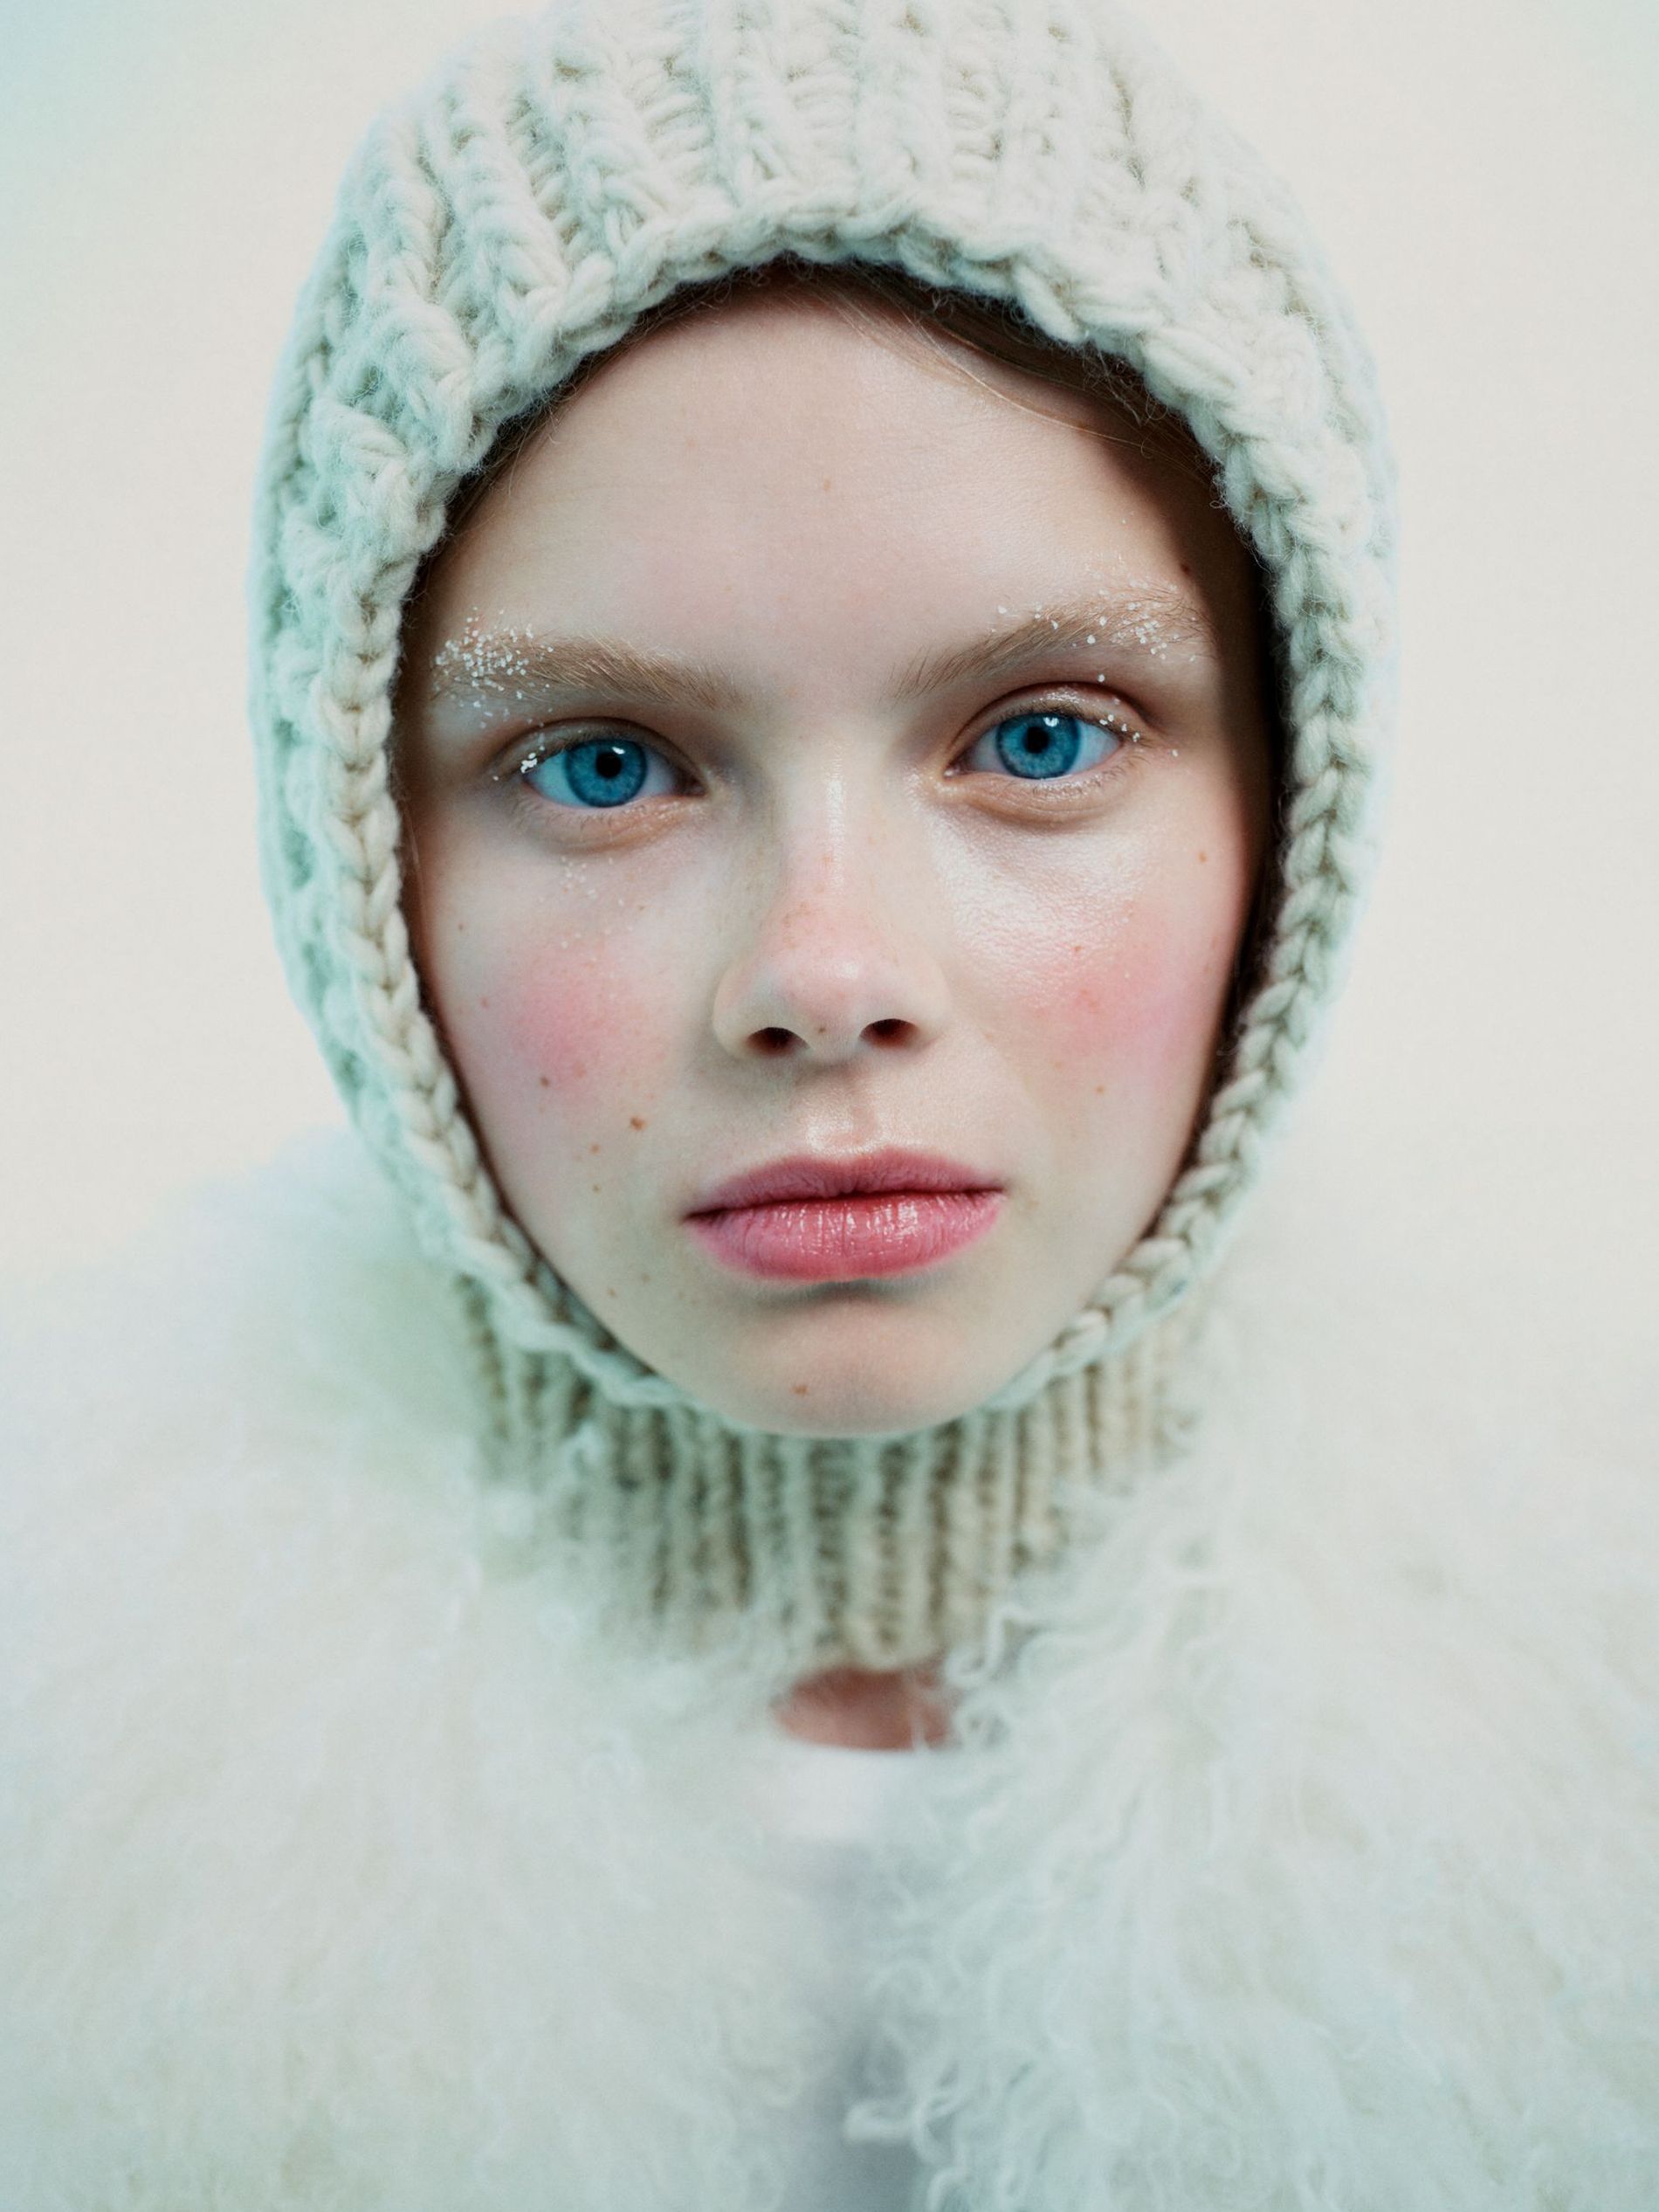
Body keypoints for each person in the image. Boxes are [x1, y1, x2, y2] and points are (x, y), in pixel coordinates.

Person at [0, 1, 1654, 2205]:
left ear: (1289, 811)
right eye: (604, 763)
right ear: (357, 852)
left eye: (1041, 738)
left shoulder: (1595, 1757)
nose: (823, 974)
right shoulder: (67, 1805)